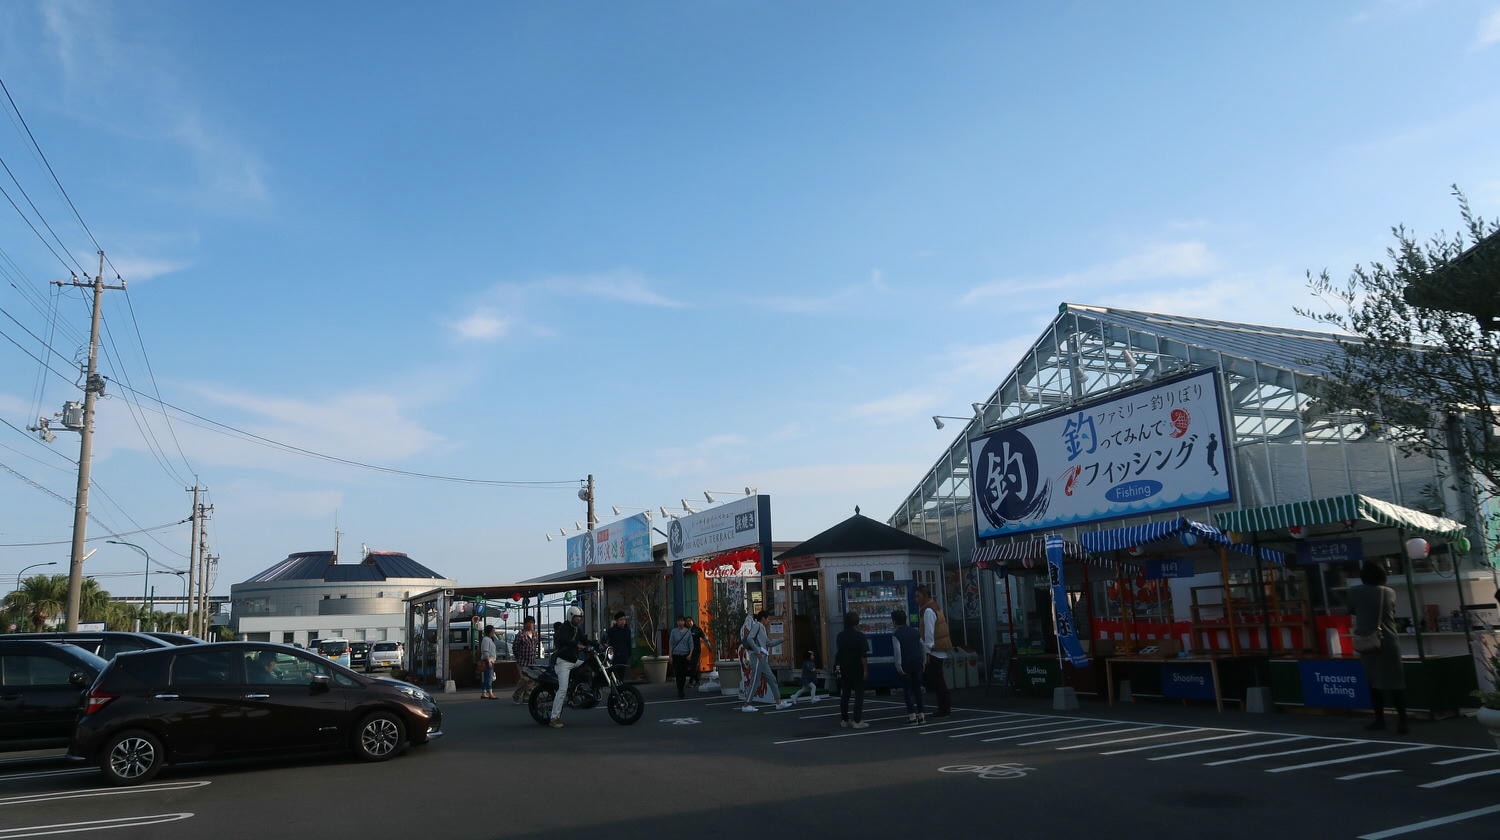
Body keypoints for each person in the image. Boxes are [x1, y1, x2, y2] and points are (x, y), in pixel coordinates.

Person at [1349, 560, 1408, 734]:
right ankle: (1402, 721)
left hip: (1368, 640)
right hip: (1389, 640)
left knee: (1373, 682)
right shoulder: (1389, 592)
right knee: (1396, 682)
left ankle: (1379, 719)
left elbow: (1351, 609)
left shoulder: (1354, 592)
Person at [549, 606, 591, 728]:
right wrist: (577, 645)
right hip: (563, 662)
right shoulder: (564, 628)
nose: (579, 620)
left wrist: (597, 644)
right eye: (577, 618)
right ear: (571, 616)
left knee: (588, 667)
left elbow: (585, 639)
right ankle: (554, 717)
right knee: (562, 689)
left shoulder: (577, 629)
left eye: (580, 618)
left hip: (574, 660)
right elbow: (563, 640)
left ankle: (577, 691)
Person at [915, 584, 953, 718]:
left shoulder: (928, 611)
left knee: (938, 682)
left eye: (918, 596)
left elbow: (929, 634)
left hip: (934, 650)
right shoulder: (934, 606)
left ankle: (944, 709)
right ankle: (944, 707)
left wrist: (927, 652)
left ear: (925, 596)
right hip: (939, 649)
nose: (916, 599)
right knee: (939, 681)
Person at [739, 609, 784, 711]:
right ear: (763, 618)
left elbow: (768, 643)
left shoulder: (762, 628)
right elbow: (750, 638)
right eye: (767, 618)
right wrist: (757, 651)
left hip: (762, 658)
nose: (768, 620)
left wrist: (781, 639)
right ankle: (746, 705)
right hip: (758, 657)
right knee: (755, 681)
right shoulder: (757, 626)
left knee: (772, 679)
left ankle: (778, 702)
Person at [891, 608, 926, 724]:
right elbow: (922, 646)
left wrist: (899, 667)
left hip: (906, 664)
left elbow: (897, 653)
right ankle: (921, 715)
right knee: (917, 690)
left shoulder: (896, 634)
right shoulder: (915, 631)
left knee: (907, 691)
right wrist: (924, 662)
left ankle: (912, 716)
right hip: (917, 663)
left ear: (894, 622)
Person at [835, 611, 869, 729]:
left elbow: (839, 652)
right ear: (857, 622)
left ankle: (845, 719)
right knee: (859, 695)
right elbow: (863, 656)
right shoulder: (860, 636)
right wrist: (865, 670)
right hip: (857, 668)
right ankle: (857, 720)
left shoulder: (840, 636)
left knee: (845, 694)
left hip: (844, 668)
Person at [510, 616, 540, 704]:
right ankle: (516, 695)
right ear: (525, 624)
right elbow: (515, 647)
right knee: (525, 679)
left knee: (531, 680)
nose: (531, 625)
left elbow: (535, 646)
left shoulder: (535, 634)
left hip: (532, 661)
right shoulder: (521, 634)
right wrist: (518, 657)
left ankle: (526, 697)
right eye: (529, 623)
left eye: (532, 623)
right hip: (522, 661)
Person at [669, 615, 694, 699]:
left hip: (685, 655)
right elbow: (671, 644)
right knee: (678, 673)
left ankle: (682, 688)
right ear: (677, 622)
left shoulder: (688, 632)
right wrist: (670, 656)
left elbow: (691, 644)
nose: (680, 622)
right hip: (676, 655)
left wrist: (690, 654)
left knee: (683, 674)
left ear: (684, 622)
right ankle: (679, 690)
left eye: (682, 621)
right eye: (679, 621)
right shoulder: (673, 631)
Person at [478, 625, 499, 699]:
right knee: (489, 677)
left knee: (486, 677)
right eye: (493, 631)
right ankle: (490, 693)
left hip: (487, 660)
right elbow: (485, 651)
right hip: (488, 660)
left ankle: (484, 692)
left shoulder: (488, 639)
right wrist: (489, 661)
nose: (494, 632)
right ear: (489, 631)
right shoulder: (486, 639)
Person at [686, 617, 708, 687]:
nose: (689, 623)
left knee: (694, 665)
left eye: (690, 621)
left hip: (696, 650)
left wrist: (708, 645)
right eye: (687, 622)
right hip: (688, 650)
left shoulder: (697, 629)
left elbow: (704, 637)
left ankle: (691, 681)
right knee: (692, 665)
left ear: (693, 621)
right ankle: (697, 680)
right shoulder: (686, 630)